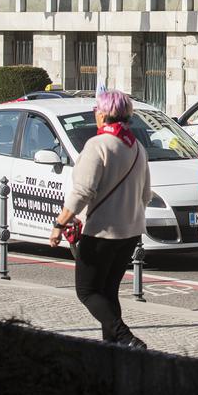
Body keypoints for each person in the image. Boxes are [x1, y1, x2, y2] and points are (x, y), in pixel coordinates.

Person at [49, 90, 151, 349]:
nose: (95, 114)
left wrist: (60, 224)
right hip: (130, 232)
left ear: (104, 114)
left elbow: (82, 191)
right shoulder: (137, 148)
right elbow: (146, 194)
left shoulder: (98, 146)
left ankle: (125, 337)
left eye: (96, 110)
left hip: (101, 231)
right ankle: (111, 348)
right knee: (108, 291)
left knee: (87, 291)